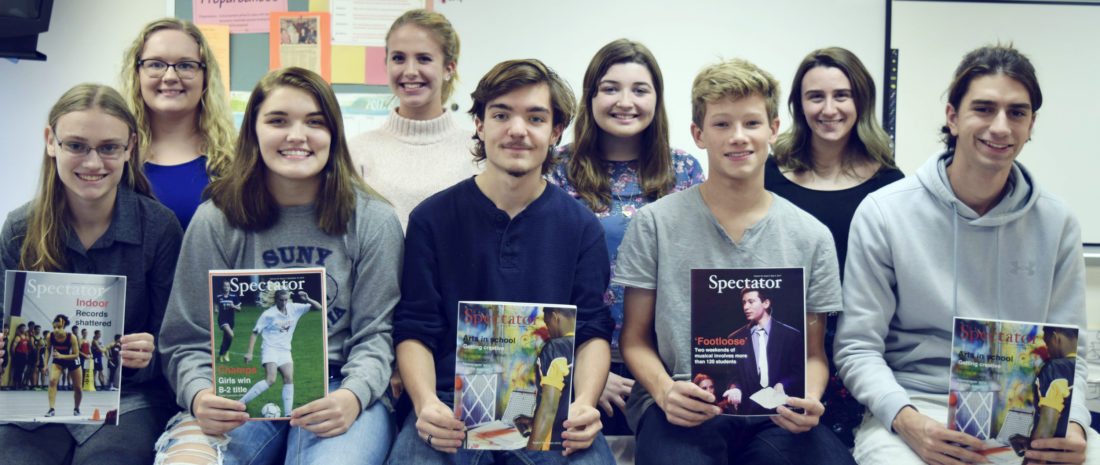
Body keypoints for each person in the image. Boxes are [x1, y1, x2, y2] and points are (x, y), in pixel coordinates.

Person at [834, 44, 1095, 465]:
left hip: (1027, 412)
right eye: (984, 109)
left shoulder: (1058, 221)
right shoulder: (885, 212)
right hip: (918, 407)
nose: (1000, 127)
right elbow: (857, 348)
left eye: (1016, 112)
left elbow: (1070, 355)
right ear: (952, 117)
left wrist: (1075, 425)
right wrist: (910, 422)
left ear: (1031, 125)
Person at [156, 67, 403, 465]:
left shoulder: (374, 220)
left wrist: (353, 396)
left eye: (315, 122)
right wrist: (200, 394)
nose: (296, 135)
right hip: (234, 392)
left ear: (334, 134)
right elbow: (186, 338)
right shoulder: (216, 218)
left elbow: (377, 335)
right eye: (278, 121)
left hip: (341, 386)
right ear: (253, 131)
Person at [615, 58, 853, 465]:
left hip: (776, 414)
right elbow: (634, 339)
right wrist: (663, 391)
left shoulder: (811, 236)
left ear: (773, 129)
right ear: (699, 134)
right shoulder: (655, 224)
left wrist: (810, 398)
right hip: (685, 405)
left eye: (752, 123)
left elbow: (814, 354)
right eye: (722, 124)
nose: (738, 137)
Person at [388, 59, 615, 465]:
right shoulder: (431, 220)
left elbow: (592, 331)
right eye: (501, 115)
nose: (517, 129)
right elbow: (415, 328)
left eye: (536, 118)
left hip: (549, 405)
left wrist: (584, 402)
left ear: (556, 131)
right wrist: (425, 403)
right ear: (479, 124)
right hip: (450, 405)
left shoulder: (581, 227)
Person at [0, 83, 182, 465]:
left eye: (109, 148)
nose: (93, 163)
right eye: (77, 146)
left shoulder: (159, 228)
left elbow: (177, 343)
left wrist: (149, 354)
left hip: (128, 398)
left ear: (130, 147)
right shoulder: (19, 228)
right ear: (51, 142)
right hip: (34, 400)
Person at [547, 39, 704, 437]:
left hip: (665, 364)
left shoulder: (683, 169)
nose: (625, 102)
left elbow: (697, 272)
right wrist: (585, 375)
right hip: (576, 359)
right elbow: (544, 276)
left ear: (657, 99)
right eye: (611, 88)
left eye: (639, 90)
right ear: (591, 96)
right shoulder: (557, 169)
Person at [766, 47, 903, 444]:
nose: (829, 109)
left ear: (861, 101)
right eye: (816, 97)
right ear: (798, 105)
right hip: (784, 350)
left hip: (861, 352)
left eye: (841, 95)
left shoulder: (891, 184)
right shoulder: (768, 174)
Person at [348, 9, 477, 232]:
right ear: (386, 64)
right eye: (398, 58)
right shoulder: (357, 152)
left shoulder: (477, 152)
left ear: (449, 68)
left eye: (424, 59)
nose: (410, 71)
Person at [121, 18, 235, 230]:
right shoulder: (115, 155)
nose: (170, 76)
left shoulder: (234, 159)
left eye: (185, 65)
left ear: (205, 76)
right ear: (137, 74)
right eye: (156, 64)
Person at [238, 289, 323, 416]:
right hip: (270, 348)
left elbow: (319, 308)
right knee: (271, 380)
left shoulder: (294, 308)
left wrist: (308, 299)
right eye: (281, 300)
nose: (283, 303)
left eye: (286, 300)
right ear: (275, 300)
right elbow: (255, 332)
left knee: (289, 378)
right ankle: (240, 403)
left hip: (285, 350)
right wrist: (249, 353)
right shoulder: (268, 314)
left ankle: (288, 414)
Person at [725, 288, 804, 415]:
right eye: (744, 302)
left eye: (751, 302)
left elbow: (799, 372)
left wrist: (782, 385)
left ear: (766, 303)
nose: (745, 307)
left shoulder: (791, 335)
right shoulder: (735, 338)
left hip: (782, 412)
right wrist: (735, 389)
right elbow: (733, 375)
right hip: (748, 413)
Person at [214, 279, 242, 363]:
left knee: (227, 338)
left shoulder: (233, 296)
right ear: (223, 287)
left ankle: (221, 355)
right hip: (222, 319)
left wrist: (233, 306)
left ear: (230, 287)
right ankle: (226, 353)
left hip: (231, 320)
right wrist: (216, 309)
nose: (226, 287)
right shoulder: (219, 296)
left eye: (228, 286)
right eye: (225, 286)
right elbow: (216, 305)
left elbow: (239, 309)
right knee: (231, 334)